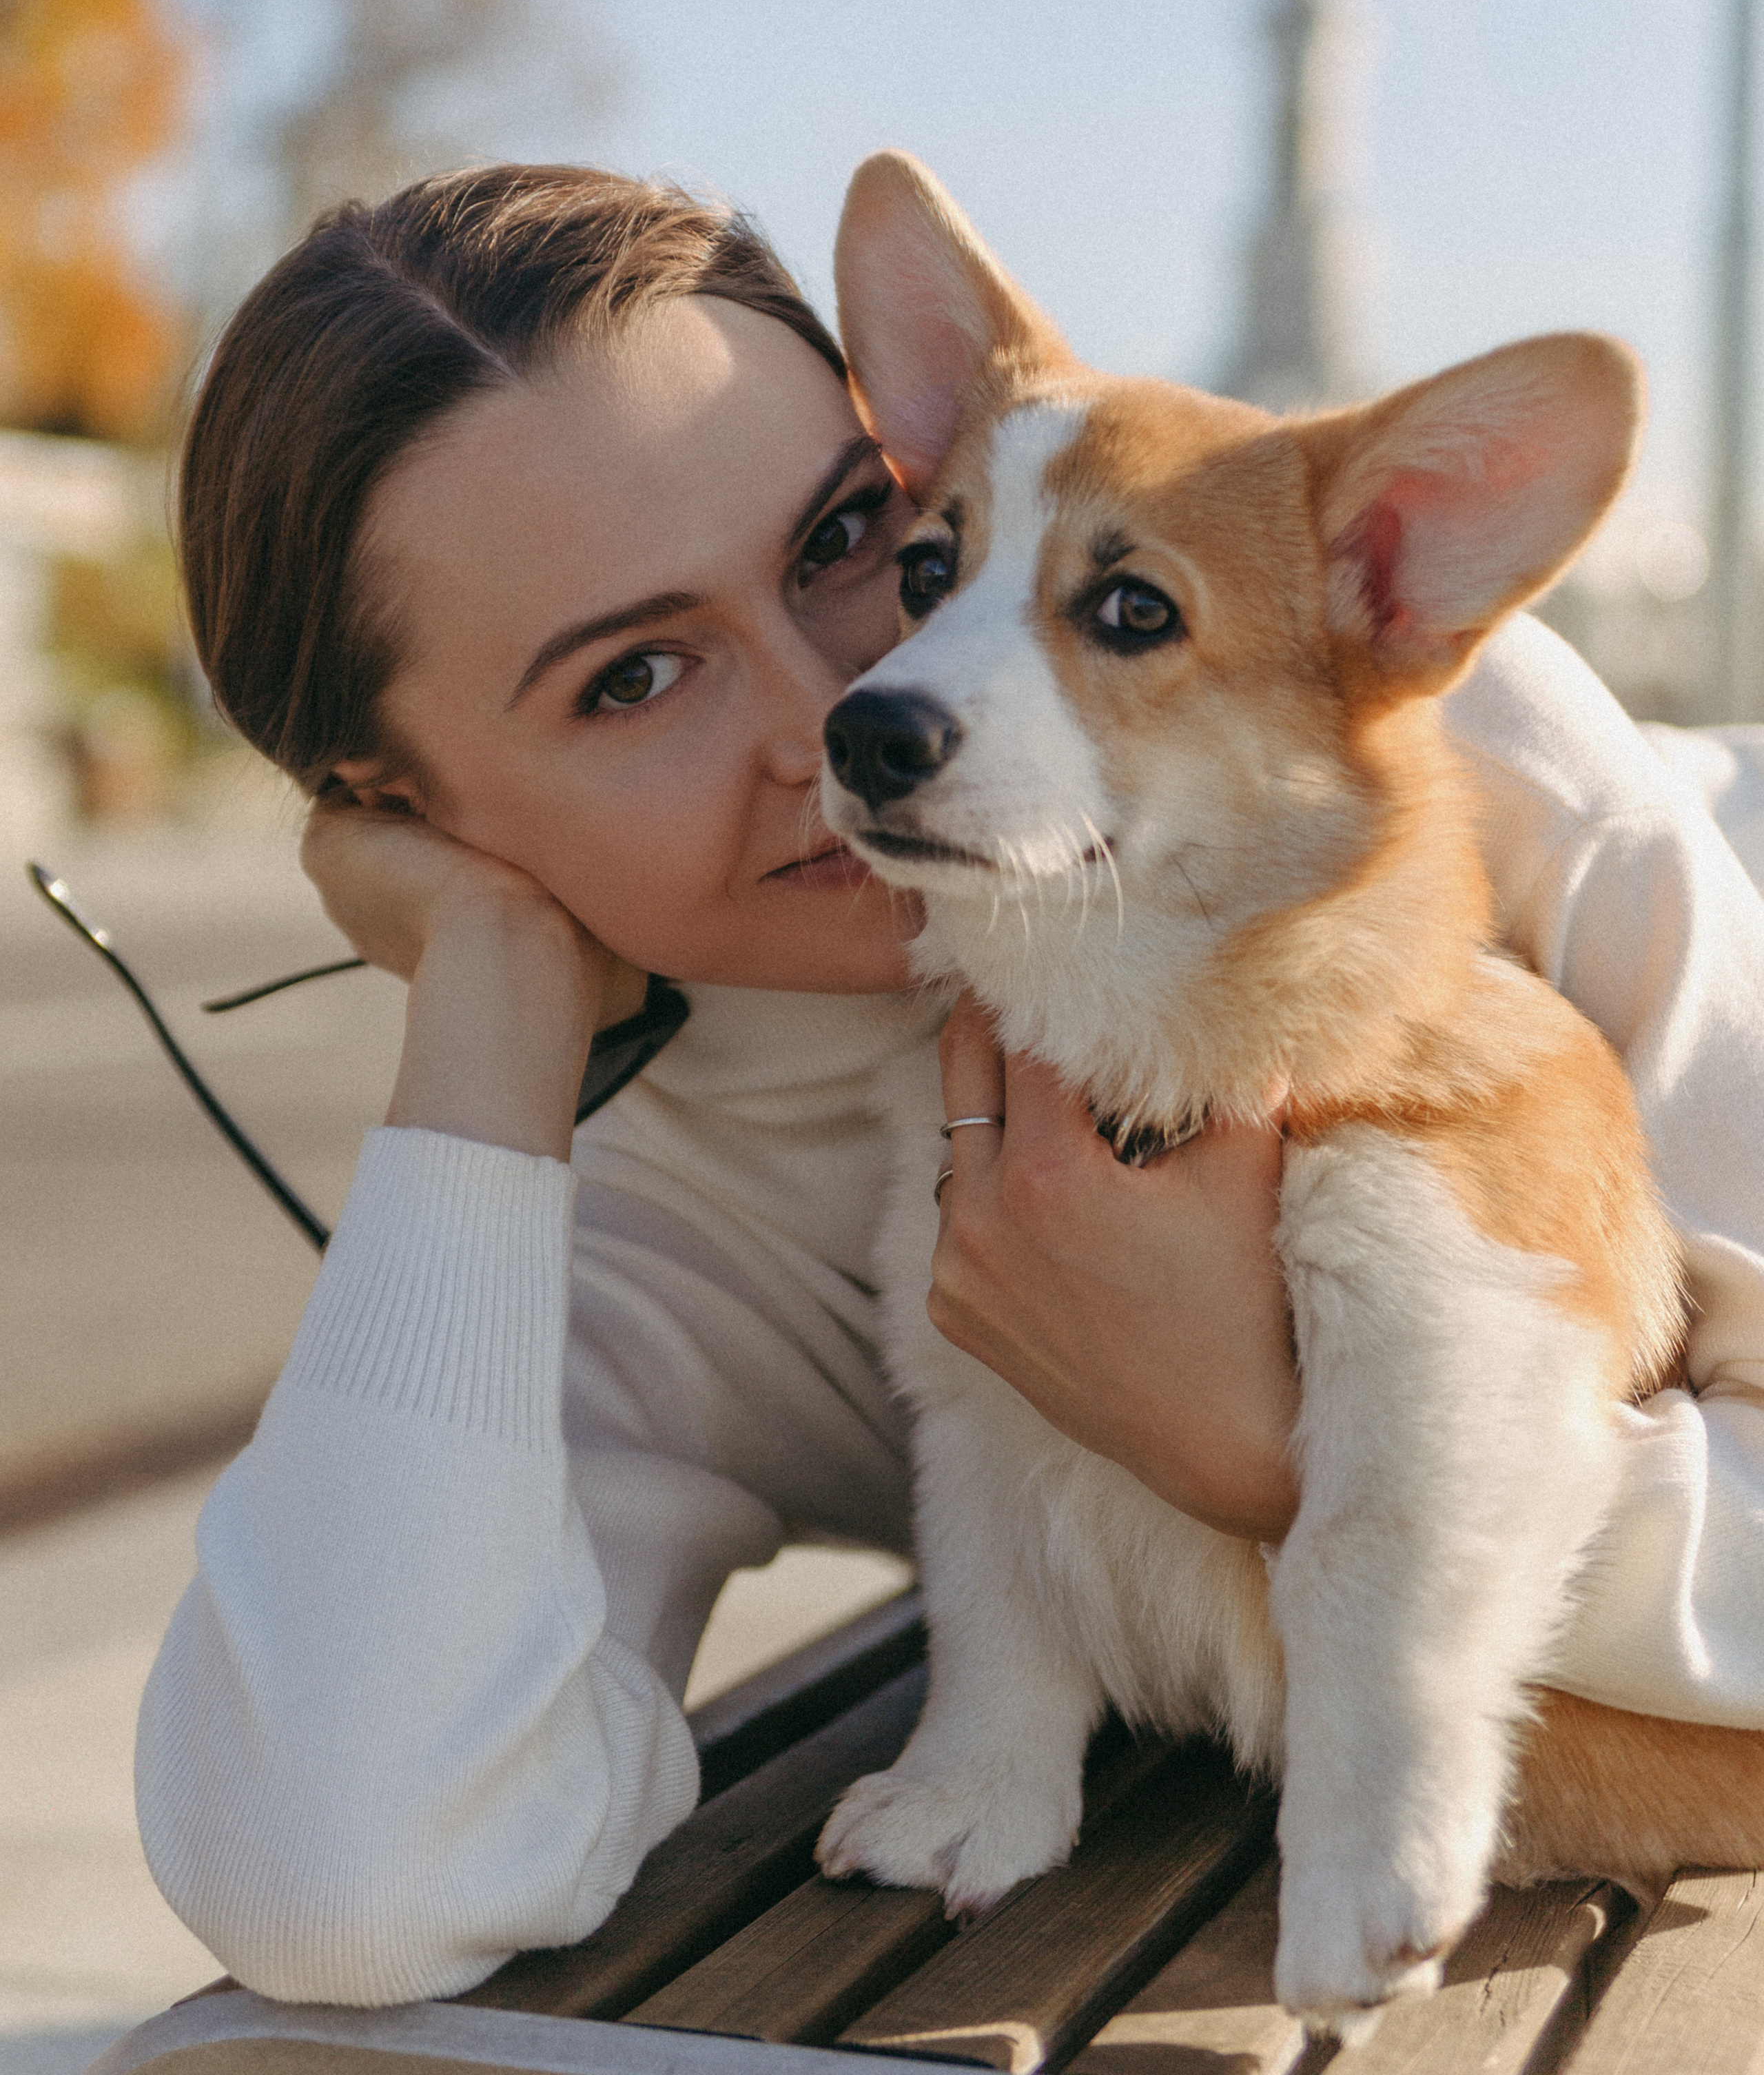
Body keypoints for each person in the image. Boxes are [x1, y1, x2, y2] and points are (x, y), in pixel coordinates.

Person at [139, 162, 1764, 2008]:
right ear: (405, 805)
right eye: (634, 677)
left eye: (854, 539)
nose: (862, 698)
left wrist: (1255, 1449)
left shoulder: (1462, 770)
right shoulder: (647, 1213)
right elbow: (339, 1878)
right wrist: (491, 999)